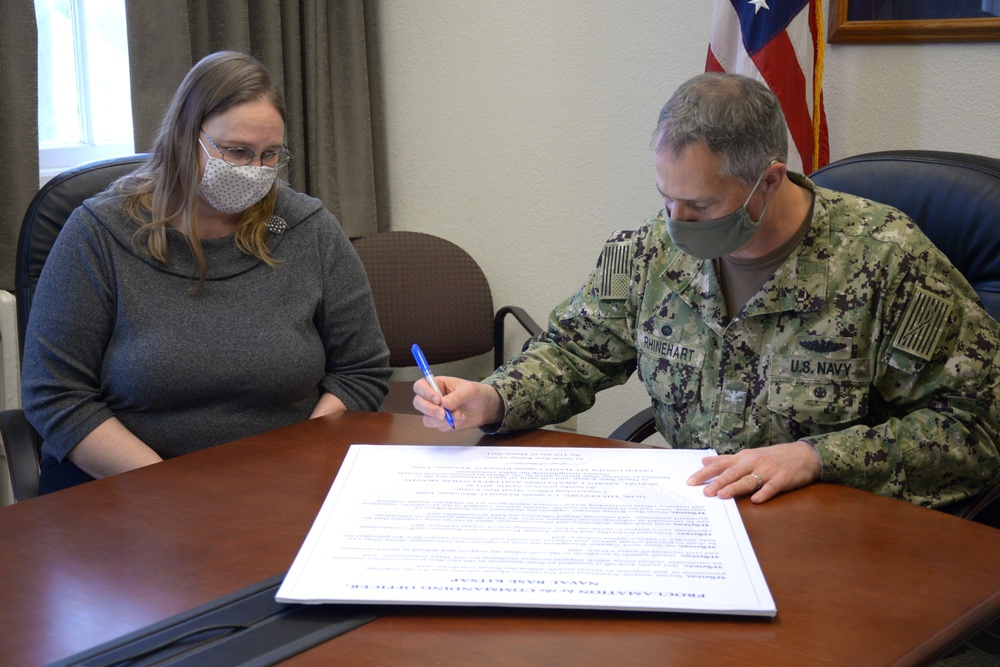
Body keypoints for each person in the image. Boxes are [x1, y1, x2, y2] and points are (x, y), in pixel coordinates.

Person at [413, 72, 1000, 509]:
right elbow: (573, 353)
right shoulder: (647, 251)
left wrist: (819, 458)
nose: (675, 222)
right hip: (697, 518)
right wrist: (492, 397)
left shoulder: (888, 261)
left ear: (768, 181)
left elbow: (976, 429)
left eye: (699, 204)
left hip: (836, 529)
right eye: (667, 198)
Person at [22, 51, 390, 493]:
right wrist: (175, 488)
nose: (255, 172)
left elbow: (360, 370)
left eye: (269, 155)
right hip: (129, 488)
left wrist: (301, 462)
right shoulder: (98, 233)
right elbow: (56, 395)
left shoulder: (307, 228)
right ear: (184, 138)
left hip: (281, 484)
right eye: (236, 152)